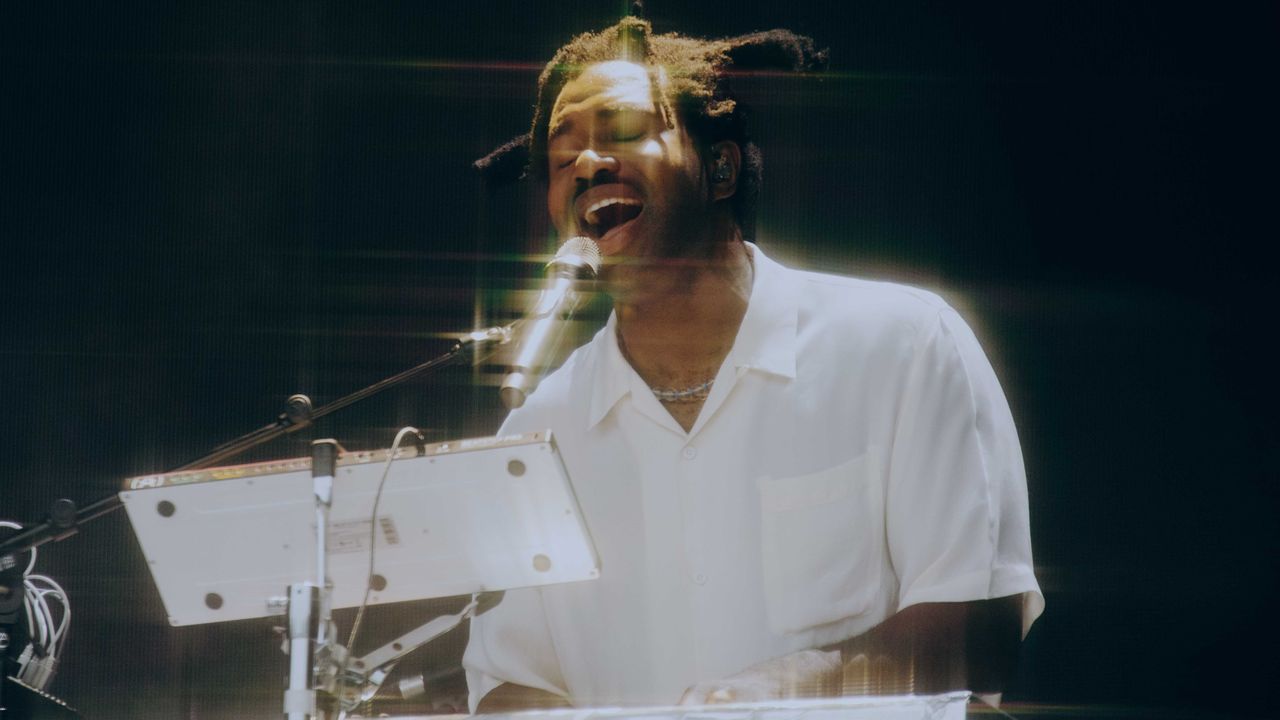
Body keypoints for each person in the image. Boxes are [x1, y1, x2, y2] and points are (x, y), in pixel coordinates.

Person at [463, 14, 1043, 713]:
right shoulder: (539, 431)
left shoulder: (905, 345)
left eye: (623, 131)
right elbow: (507, 683)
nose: (587, 164)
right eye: (563, 159)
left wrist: (777, 693)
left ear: (721, 169)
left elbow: (981, 626)